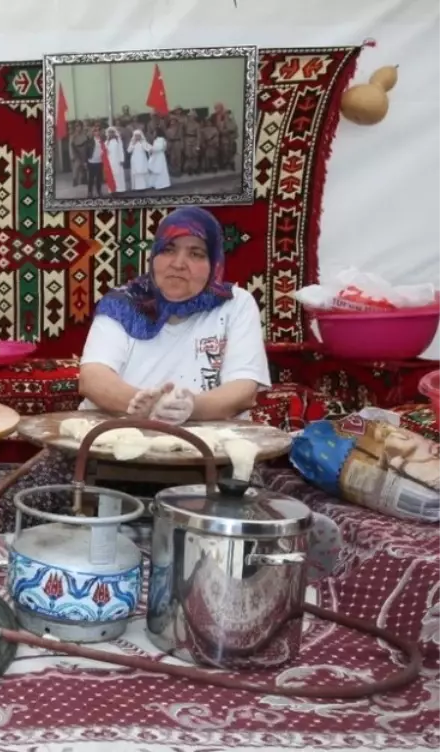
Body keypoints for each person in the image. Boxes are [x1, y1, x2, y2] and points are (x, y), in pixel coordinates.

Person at [19, 206, 271, 496]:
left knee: (244, 499)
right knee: (47, 482)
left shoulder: (235, 305)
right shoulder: (124, 303)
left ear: (215, 262)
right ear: (154, 256)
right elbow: (93, 377)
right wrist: (140, 406)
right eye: (169, 249)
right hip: (116, 441)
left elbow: (243, 390)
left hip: (207, 447)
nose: (178, 263)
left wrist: (189, 408)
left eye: (196, 254)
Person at [104, 126, 128, 193]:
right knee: (111, 175)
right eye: (109, 133)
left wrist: (122, 159)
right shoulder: (106, 142)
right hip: (110, 161)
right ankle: (112, 190)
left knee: (118, 175)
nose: (111, 134)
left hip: (117, 160)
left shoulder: (118, 141)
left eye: (112, 132)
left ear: (114, 133)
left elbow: (121, 150)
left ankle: (120, 189)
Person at [86, 125, 106, 197]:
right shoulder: (90, 140)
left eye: (98, 130)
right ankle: (90, 192)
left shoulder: (103, 140)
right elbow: (86, 151)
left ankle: (99, 191)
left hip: (99, 161)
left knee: (99, 178)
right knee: (91, 178)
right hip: (91, 161)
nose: (97, 132)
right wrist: (86, 161)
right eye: (95, 131)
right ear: (93, 132)